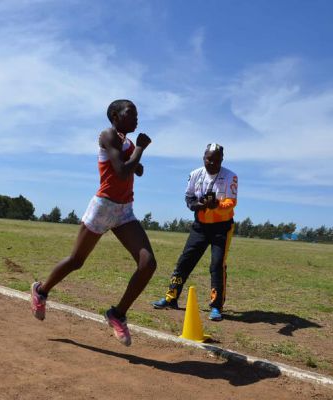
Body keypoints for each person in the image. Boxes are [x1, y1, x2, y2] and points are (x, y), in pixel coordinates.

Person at [31, 99, 157, 346]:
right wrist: (141, 149)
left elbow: (133, 168)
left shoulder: (126, 142)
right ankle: (41, 291)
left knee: (148, 263)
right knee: (76, 261)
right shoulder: (108, 135)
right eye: (131, 114)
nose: (137, 118)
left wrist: (136, 157)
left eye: (137, 114)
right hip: (103, 207)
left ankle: (117, 314)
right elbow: (121, 171)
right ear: (115, 116)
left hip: (123, 211)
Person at [152, 143, 238, 321]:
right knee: (185, 261)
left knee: (217, 265)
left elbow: (232, 202)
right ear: (203, 157)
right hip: (200, 226)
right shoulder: (195, 174)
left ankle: (216, 306)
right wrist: (198, 205)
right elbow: (189, 198)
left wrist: (217, 205)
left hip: (222, 228)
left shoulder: (231, 177)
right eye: (208, 159)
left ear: (222, 159)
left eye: (216, 160)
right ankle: (171, 297)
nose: (211, 163)